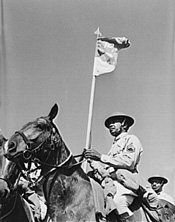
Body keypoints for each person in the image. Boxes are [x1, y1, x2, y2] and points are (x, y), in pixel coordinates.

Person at [84, 112, 146, 221]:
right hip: (110, 182)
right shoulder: (113, 146)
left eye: (114, 122)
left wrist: (101, 157)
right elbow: (107, 168)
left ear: (124, 124)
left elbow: (129, 162)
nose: (111, 126)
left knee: (118, 203)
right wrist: (93, 162)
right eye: (109, 124)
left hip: (125, 181)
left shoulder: (131, 139)